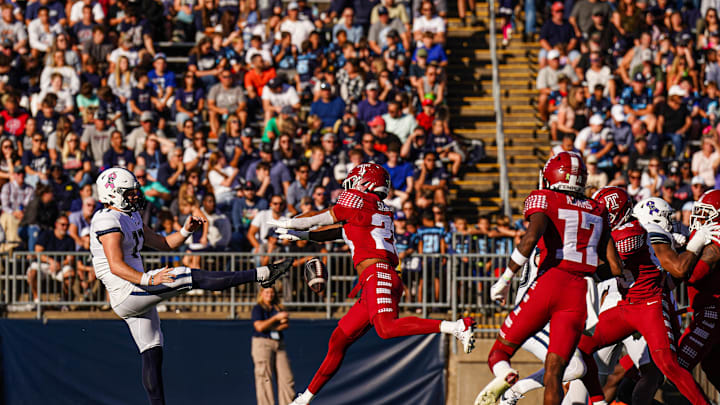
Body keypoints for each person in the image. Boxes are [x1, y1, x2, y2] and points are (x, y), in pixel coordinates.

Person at [272, 163, 476, 405]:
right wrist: (302, 236)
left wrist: (287, 223)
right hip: (377, 277)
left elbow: (318, 218)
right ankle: (305, 399)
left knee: (386, 328)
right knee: (338, 339)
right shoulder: (374, 208)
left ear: (364, 182)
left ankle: (456, 327)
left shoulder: (358, 199)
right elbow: (341, 231)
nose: (349, 183)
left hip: (378, 274)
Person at [89, 167, 291, 405]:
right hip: (128, 291)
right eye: (129, 193)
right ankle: (261, 274)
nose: (135, 196)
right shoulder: (106, 219)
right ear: (112, 194)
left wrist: (186, 231)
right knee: (187, 276)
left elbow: (164, 243)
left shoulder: (130, 216)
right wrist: (148, 279)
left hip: (134, 291)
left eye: (134, 192)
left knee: (152, 352)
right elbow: (115, 265)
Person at [474, 152, 624, 405]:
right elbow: (614, 267)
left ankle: (507, 377)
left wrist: (504, 280)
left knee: (498, 352)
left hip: (550, 282)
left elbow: (531, 237)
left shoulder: (544, 198)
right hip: (579, 291)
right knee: (555, 374)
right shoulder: (598, 210)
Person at [577, 189, 711, 405]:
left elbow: (607, 268)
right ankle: (598, 401)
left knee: (667, 365)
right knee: (580, 347)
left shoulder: (633, 231)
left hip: (649, 306)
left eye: (603, 213)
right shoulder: (627, 230)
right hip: (626, 305)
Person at [251, 286, 295, 405]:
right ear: (261, 293)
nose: (269, 295)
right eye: (267, 292)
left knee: (287, 378)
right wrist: (275, 319)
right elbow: (259, 327)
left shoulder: (278, 307)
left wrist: (269, 325)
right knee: (264, 378)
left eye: (271, 292)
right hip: (262, 343)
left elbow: (285, 324)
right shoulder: (258, 309)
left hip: (278, 343)